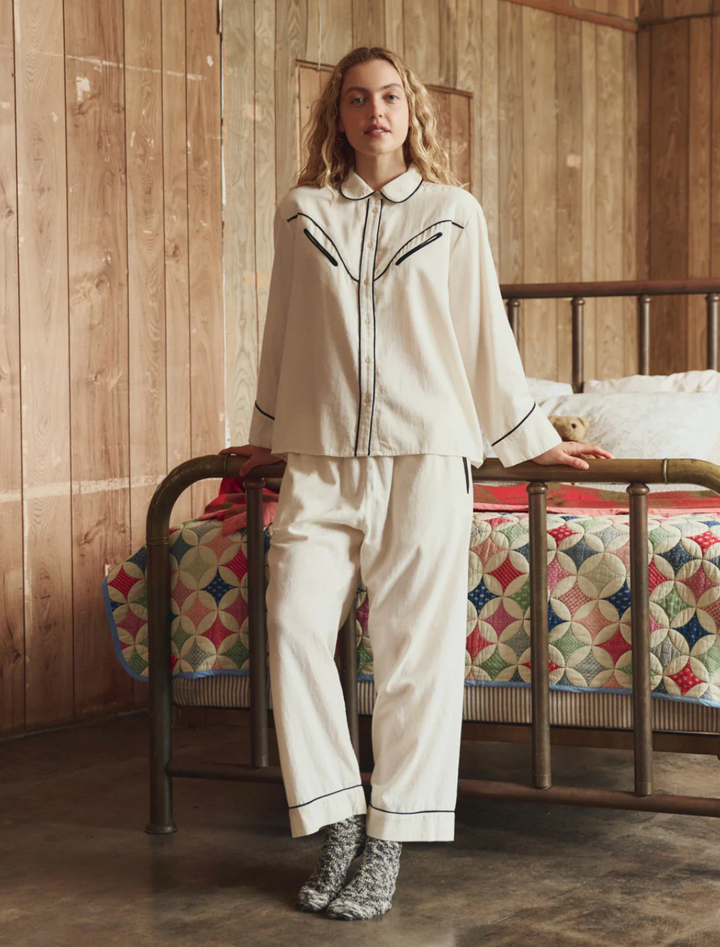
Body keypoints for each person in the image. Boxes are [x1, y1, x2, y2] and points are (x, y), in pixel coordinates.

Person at [219, 46, 612, 921]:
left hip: (428, 459)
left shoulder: (452, 213)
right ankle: (338, 817)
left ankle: (389, 835)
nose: (376, 113)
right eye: (358, 99)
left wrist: (531, 439)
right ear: (340, 115)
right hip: (321, 460)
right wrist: (268, 435)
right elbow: (283, 331)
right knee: (292, 626)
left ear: (411, 111)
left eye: (390, 97)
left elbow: (483, 338)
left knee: (412, 653)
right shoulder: (302, 213)